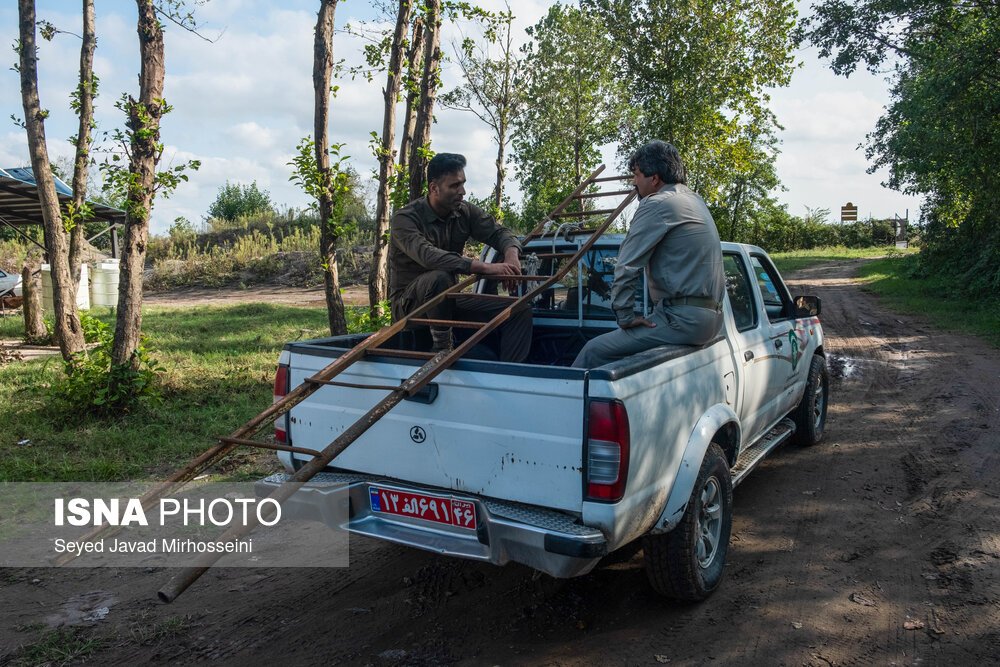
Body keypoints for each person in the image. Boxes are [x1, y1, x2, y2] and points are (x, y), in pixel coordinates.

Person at [572, 140, 725, 368]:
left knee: (593, 351)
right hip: (711, 319)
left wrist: (624, 316)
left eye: (636, 175)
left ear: (654, 178)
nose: (633, 183)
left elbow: (627, 265)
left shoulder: (656, 204)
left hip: (681, 320)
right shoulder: (694, 200)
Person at [389, 153, 532, 362]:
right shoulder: (405, 219)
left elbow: (500, 233)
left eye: (463, 184)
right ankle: (442, 350)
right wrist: (485, 267)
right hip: (410, 309)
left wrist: (511, 256)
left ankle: (511, 374)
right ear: (434, 188)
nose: (462, 192)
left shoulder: (464, 212)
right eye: (454, 186)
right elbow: (429, 257)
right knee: (440, 276)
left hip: (448, 303)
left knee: (518, 310)